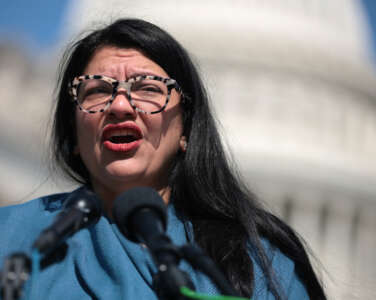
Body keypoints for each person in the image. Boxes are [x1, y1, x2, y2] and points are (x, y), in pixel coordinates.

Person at [0, 19, 326, 299]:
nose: (121, 106)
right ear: (73, 131)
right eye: (97, 90)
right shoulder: (12, 238)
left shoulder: (259, 264)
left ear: (186, 129)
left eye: (149, 88)